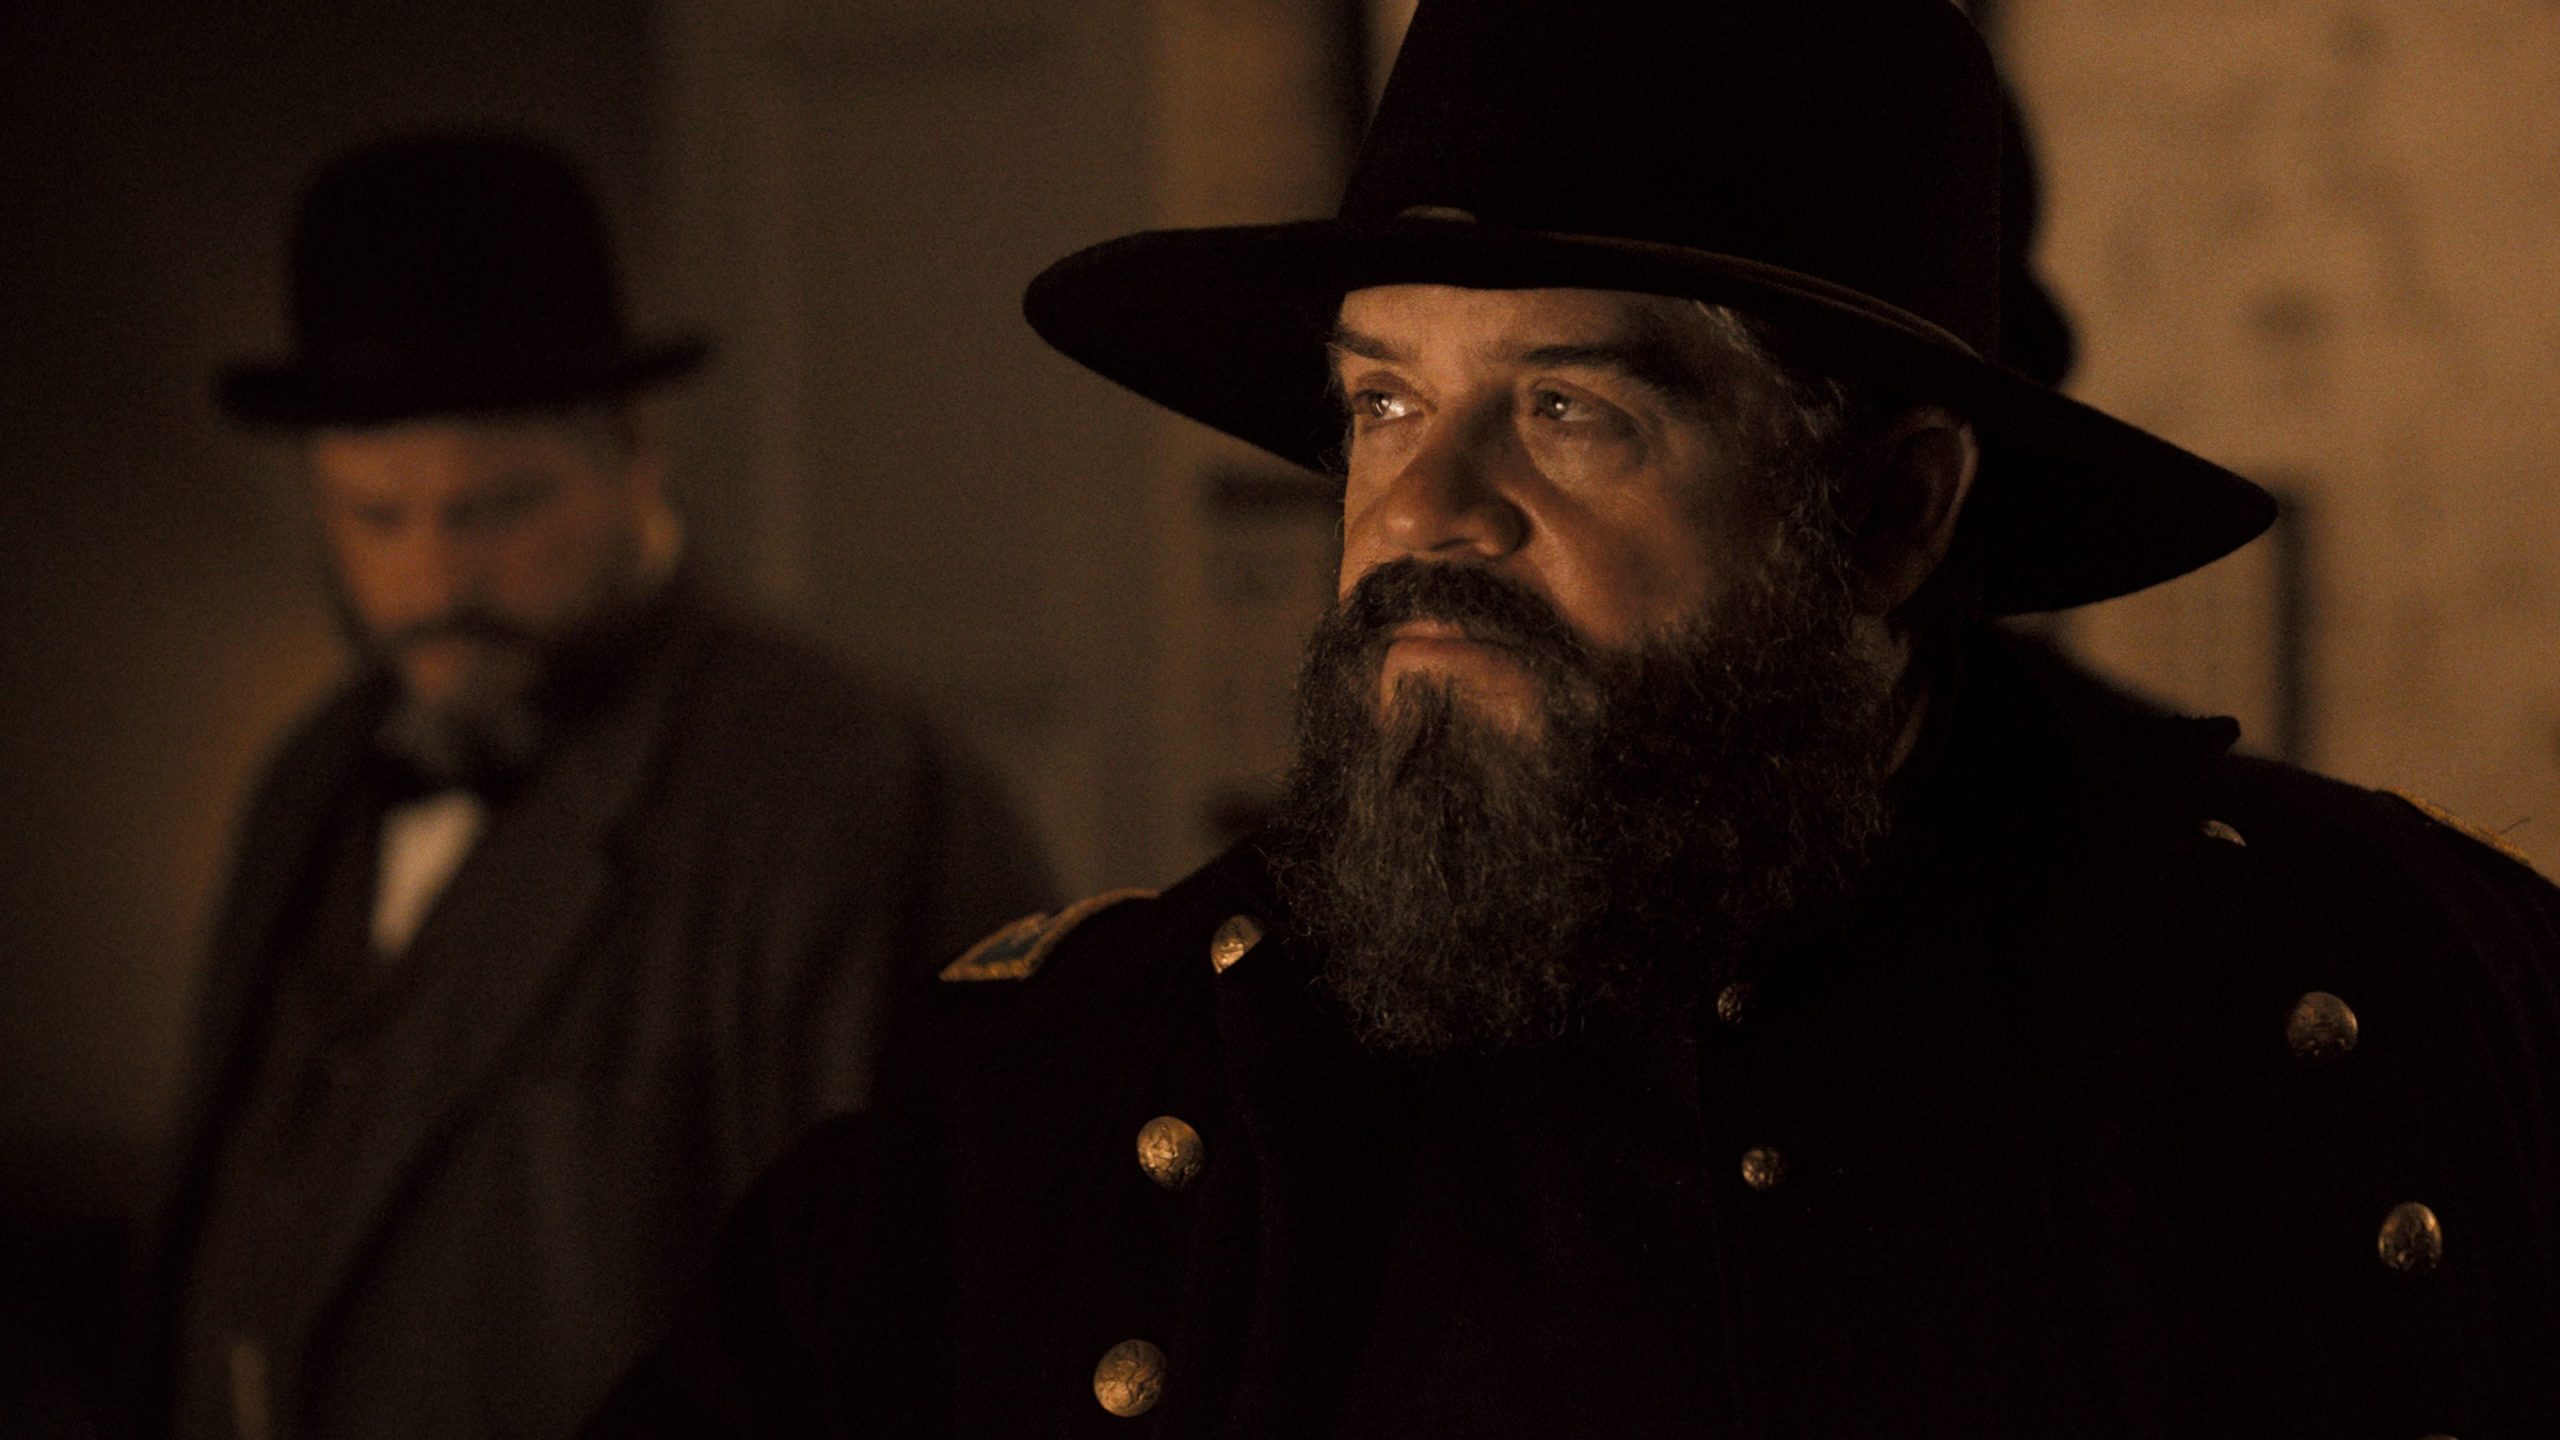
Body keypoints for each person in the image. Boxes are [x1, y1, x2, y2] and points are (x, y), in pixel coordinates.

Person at [591, 2, 2560, 1435]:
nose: (1419, 515)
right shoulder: (1058, 1096)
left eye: (1566, 409)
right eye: (1381, 402)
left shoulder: (2384, 996)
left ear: (1887, 512)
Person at [137, 132, 1056, 1440]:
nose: (431, 582)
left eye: (494, 510)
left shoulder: (844, 795)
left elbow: (938, 1324)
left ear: (635, 451)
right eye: (375, 516)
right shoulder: (307, 779)